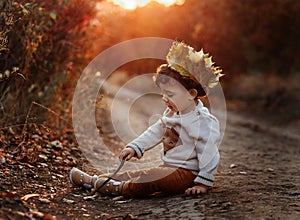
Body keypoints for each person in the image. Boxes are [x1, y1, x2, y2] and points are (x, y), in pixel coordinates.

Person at [69, 41, 223, 198]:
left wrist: (202, 183)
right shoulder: (171, 113)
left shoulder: (202, 121)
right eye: (162, 93)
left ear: (191, 94)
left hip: (187, 175)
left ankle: (119, 188)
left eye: (170, 94)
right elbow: (154, 132)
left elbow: (209, 153)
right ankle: (97, 181)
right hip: (169, 168)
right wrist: (135, 147)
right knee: (142, 172)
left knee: (151, 178)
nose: (164, 98)